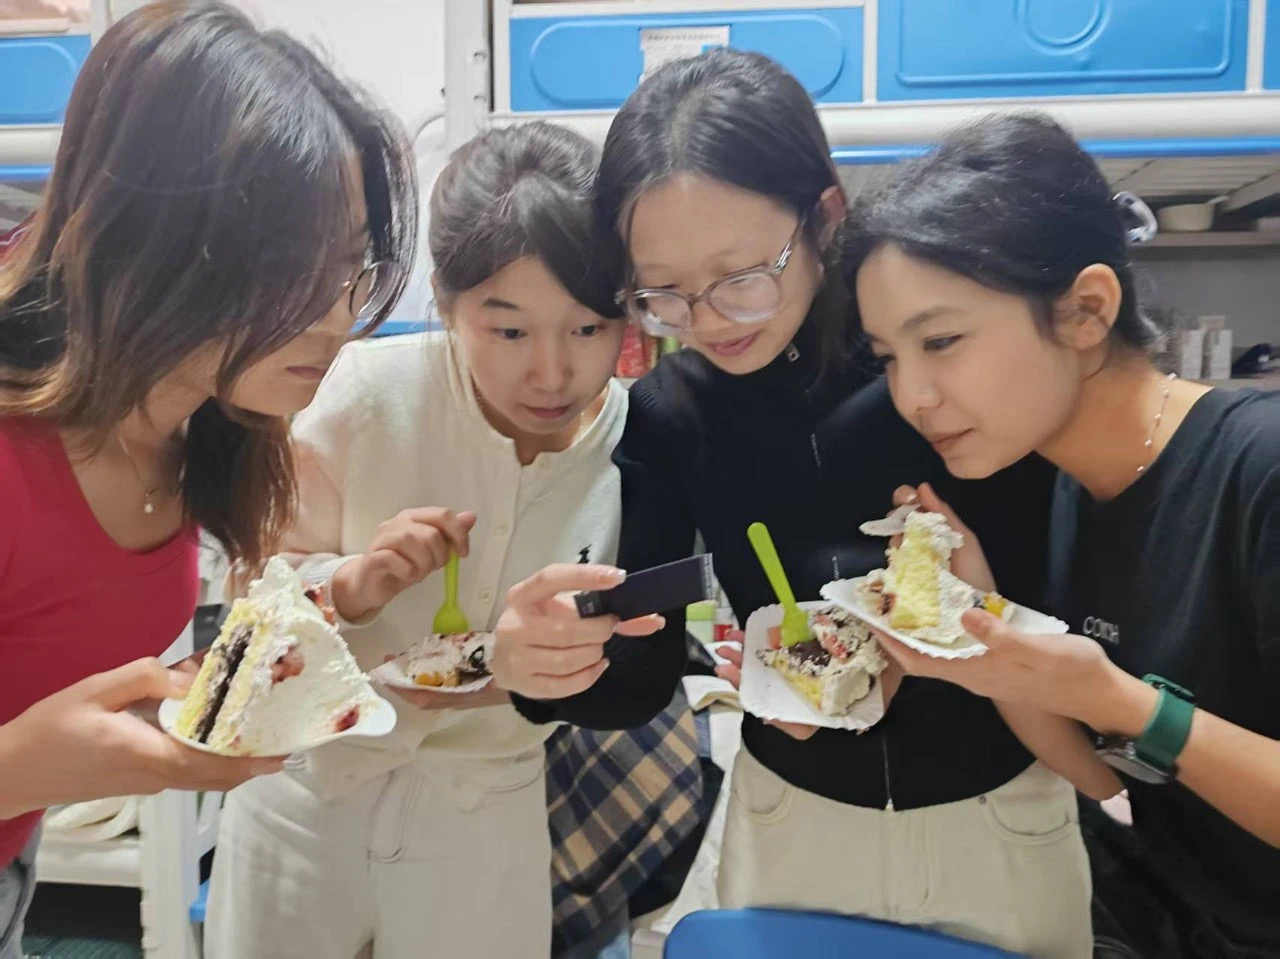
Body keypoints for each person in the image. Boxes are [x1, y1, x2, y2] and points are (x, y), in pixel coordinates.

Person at [491, 51, 1111, 958]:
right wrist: (543, 665)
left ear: (825, 213)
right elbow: (643, 667)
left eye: (742, 275)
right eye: (664, 294)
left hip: (1001, 817)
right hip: (791, 829)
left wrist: (940, 626)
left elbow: (1070, 590)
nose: (710, 320)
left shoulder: (938, 368)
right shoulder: (672, 414)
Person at [206, 122, 699, 959]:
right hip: (306, 788)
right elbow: (247, 601)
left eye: (588, 329)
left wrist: (544, 662)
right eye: (508, 331)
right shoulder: (363, 392)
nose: (551, 372)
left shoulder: (638, 444)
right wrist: (351, 584)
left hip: (485, 806)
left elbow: (641, 666)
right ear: (445, 300)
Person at [0, 2, 416, 956]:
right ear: (150, 237)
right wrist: (25, 766)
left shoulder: (201, 426)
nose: (336, 318)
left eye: (350, 266)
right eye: (289, 269)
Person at [848, 111, 1280, 959]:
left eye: (941, 340)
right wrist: (980, 621)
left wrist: (1125, 703)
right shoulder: (1073, 485)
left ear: (1086, 310)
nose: (913, 395)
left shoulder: (1257, 470)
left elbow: (1125, 715)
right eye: (889, 357)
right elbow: (1107, 774)